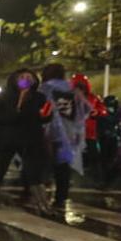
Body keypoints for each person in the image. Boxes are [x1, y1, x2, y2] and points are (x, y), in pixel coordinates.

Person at [0, 68, 53, 213]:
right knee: (0, 168)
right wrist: (18, 106)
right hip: (8, 139)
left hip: (30, 139)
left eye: (29, 78)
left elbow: (44, 118)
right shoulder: (3, 97)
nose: (26, 81)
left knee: (33, 171)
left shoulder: (39, 97)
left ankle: (41, 203)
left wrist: (45, 115)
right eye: (22, 78)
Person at [41, 63, 90, 210]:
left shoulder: (45, 88)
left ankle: (37, 194)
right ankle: (61, 197)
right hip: (68, 133)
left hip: (46, 130)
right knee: (63, 167)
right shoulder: (72, 90)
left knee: (42, 163)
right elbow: (86, 108)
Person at [72, 73, 109, 183]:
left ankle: (98, 180)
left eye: (81, 86)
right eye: (77, 86)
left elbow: (103, 111)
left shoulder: (93, 98)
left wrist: (96, 112)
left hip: (89, 132)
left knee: (94, 157)